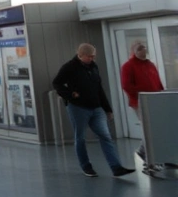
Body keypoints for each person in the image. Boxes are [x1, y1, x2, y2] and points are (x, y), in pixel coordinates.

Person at [53, 43, 135, 178]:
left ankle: (116, 167)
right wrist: (70, 94)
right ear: (81, 56)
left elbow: (99, 88)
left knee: (105, 136)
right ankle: (86, 166)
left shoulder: (93, 67)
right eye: (89, 56)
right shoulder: (69, 67)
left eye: (93, 56)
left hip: (96, 108)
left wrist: (107, 108)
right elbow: (57, 83)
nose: (92, 59)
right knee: (80, 138)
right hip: (78, 108)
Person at [120, 41, 165, 172]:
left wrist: (161, 94)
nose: (144, 50)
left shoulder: (150, 65)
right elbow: (127, 85)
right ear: (134, 51)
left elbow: (157, 82)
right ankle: (149, 159)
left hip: (155, 101)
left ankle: (143, 151)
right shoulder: (128, 66)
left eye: (144, 48)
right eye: (140, 48)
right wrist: (141, 95)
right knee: (149, 129)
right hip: (140, 102)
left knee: (156, 128)